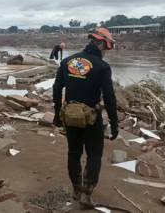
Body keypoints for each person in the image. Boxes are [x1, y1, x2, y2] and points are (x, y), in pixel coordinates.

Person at [52, 27, 118, 209]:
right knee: (94, 155)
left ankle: (76, 189)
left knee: (73, 153)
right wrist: (114, 122)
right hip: (91, 119)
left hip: (70, 117)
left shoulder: (66, 62)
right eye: (106, 46)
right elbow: (110, 97)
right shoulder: (102, 67)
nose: (106, 50)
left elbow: (57, 89)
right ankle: (86, 195)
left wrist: (58, 114)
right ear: (101, 43)